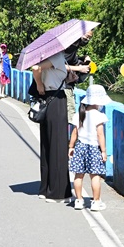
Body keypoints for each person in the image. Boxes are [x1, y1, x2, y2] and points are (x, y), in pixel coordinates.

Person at [30, 37, 93, 201]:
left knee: (47, 144)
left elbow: (41, 69)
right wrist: (39, 85)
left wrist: (44, 84)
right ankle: (57, 192)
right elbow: (35, 68)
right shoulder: (57, 57)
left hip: (47, 99)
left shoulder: (46, 57)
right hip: (57, 100)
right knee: (58, 145)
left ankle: (45, 189)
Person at [68, 83, 111, 210]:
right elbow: (100, 135)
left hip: (80, 146)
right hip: (93, 148)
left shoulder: (79, 114)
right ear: (99, 102)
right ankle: (96, 202)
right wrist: (103, 151)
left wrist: (71, 147)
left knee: (78, 175)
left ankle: (79, 201)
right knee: (95, 176)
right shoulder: (99, 116)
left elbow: (74, 133)